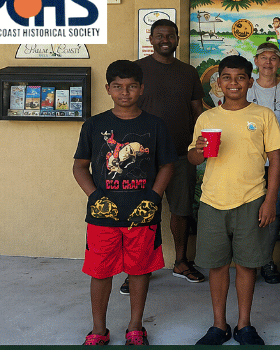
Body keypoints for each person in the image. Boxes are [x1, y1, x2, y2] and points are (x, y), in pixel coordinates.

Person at [72, 60, 176, 346]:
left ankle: (135, 327)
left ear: (141, 89)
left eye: (131, 86)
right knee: (99, 271)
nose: (125, 92)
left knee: (140, 270)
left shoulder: (154, 125)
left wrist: (154, 197)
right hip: (103, 216)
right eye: (118, 87)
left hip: (142, 214)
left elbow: (167, 165)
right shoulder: (95, 124)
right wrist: (95, 196)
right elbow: (80, 166)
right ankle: (98, 329)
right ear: (108, 89)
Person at [188, 55, 280, 345]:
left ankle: (244, 325)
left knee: (246, 265)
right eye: (227, 77)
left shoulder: (263, 115)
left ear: (250, 82)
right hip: (213, 202)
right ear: (219, 83)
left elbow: (276, 162)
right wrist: (201, 150)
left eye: (240, 77)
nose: (233, 83)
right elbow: (192, 158)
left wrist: (269, 201)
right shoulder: (207, 118)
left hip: (251, 200)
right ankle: (219, 325)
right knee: (216, 266)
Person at [132, 19, 206, 291]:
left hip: (180, 154)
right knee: (142, 212)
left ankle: (181, 262)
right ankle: (138, 268)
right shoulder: (137, 70)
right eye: (159, 35)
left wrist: (204, 142)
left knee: (182, 210)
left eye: (170, 36)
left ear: (177, 39)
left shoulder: (188, 72)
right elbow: (126, 110)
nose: (165, 40)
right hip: (142, 158)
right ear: (151, 39)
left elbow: (197, 111)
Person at [247, 42, 280, 284]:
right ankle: (247, 259)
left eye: (273, 58)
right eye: (263, 57)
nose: (268, 62)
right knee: (247, 210)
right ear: (256, 61)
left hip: (276, 163)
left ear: (279, 62)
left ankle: (266, 260)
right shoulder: (245, 89)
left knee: (273, 211)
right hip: (248, 162)